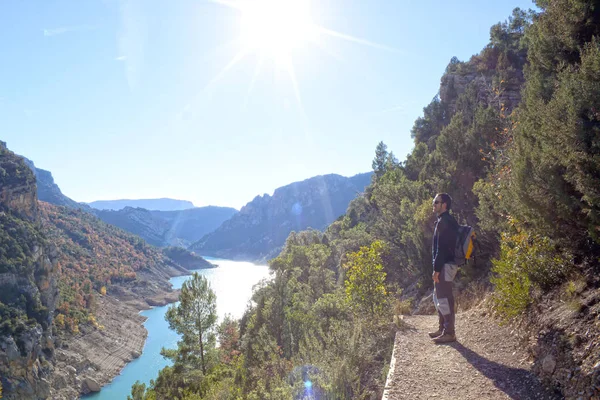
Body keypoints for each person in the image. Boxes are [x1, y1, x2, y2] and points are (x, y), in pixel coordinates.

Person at [429, 193, 459, 344]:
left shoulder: (444, 222)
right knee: (440, 297)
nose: (433, 205)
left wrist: (437, 269)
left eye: (436, 202)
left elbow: (441, 249)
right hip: (447, 264)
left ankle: (449, 332)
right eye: (434, 202)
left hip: (445, 265)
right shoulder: (445, 220)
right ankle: (442, 328)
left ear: (444, 205)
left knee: (445, 298)